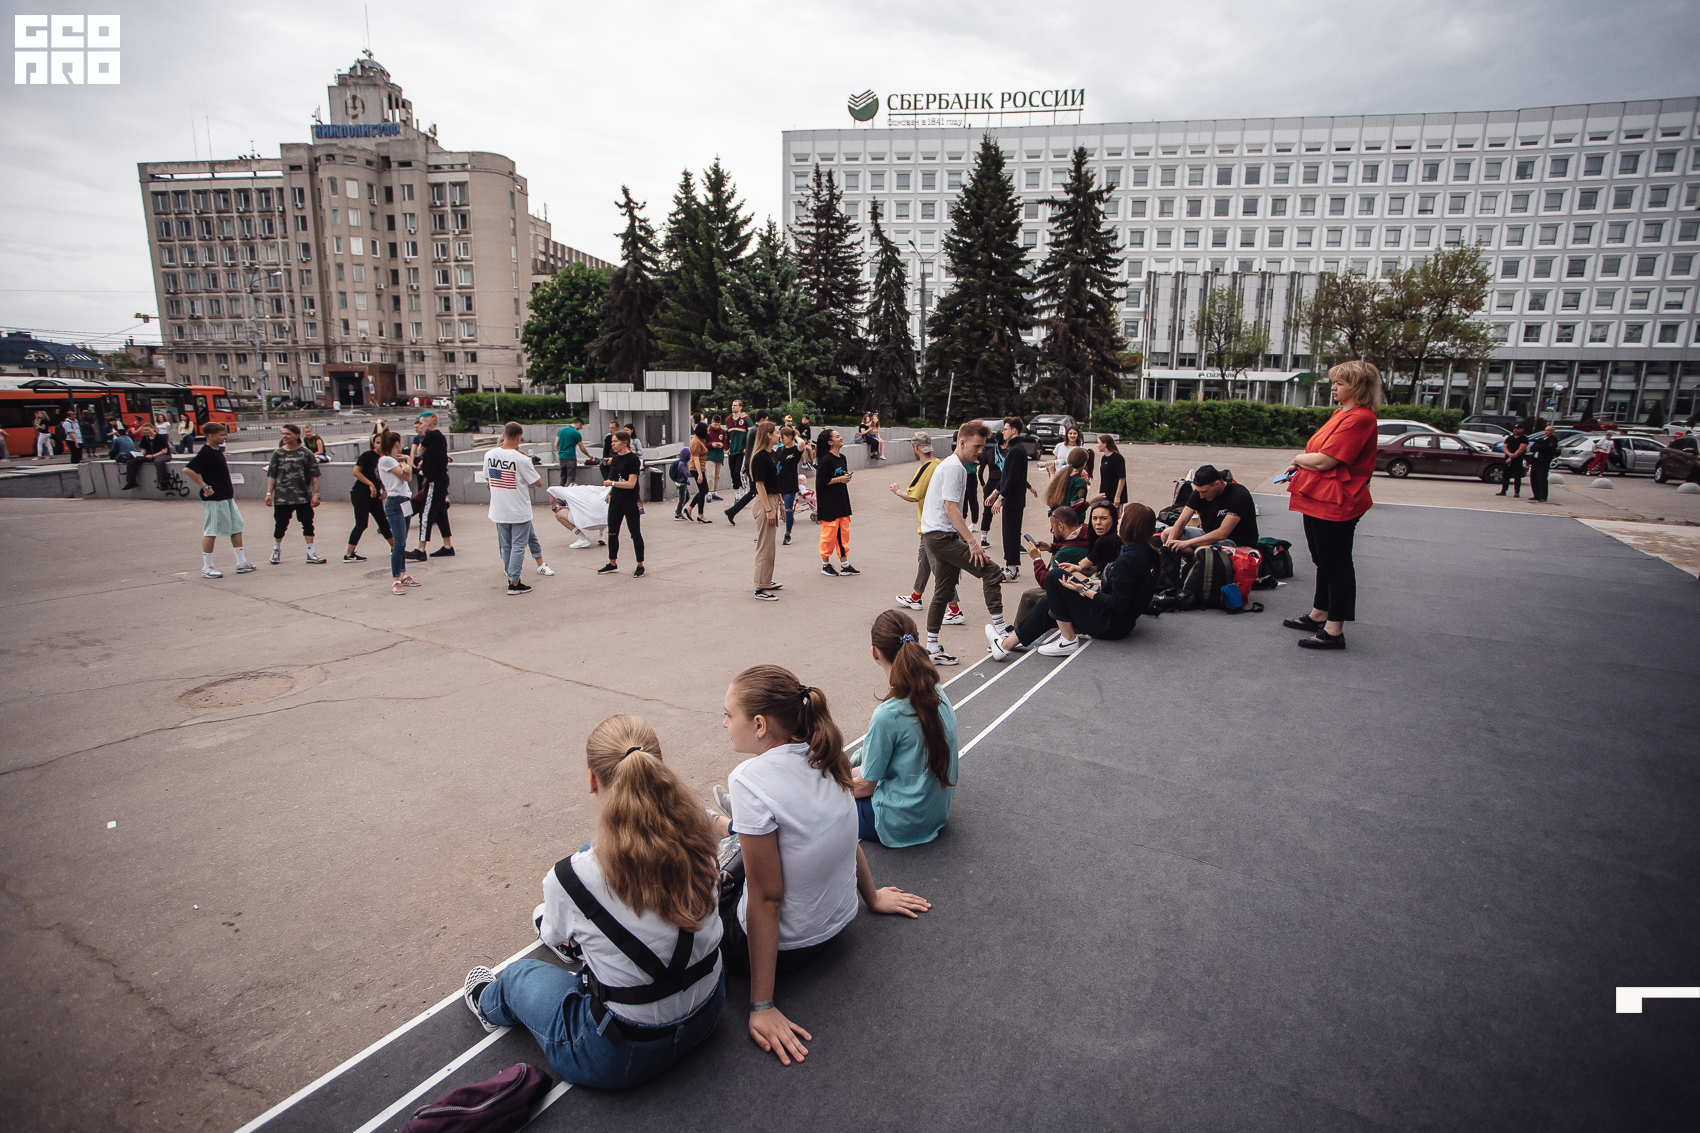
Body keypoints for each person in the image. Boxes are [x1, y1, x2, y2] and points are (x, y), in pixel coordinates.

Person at [464, 714, 724, 1088]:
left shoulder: (568, 878)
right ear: (658, 768)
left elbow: (552, 934)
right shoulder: (702, 836)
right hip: (707, 1014)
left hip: (623, 1055)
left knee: (520, 977)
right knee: (595, 857)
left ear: (592, 779)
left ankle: (487, 1001)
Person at [707, 665, 931, 1065]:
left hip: (788, 949)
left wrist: (762, 1005)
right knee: (770, 841)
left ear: (759, 724)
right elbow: (847, 836)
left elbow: (767, 898)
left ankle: (723, 829)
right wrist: (872, 897)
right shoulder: (825, 753)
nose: (724, 722)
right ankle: (731, 827)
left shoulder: (747, 779)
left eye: (728, 714)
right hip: (836, 925)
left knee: (696, 883)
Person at [1281, 360, 1382, 651]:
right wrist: (1304, 461)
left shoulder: (1360, 418)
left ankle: (1334, 630)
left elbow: (1326, 460)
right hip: (1320, 497)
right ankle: (1320, 613)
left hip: (1337, 500)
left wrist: (1298, 458)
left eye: (1340, 383)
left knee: (1336, 564)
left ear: (1357, 387)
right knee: (1322, 560)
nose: (1334, 387)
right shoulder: (1342, 413)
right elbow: (1319, 455)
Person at [987, 504, 1160, 660]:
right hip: (1122, 623)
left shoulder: (1128, 560)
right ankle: (1007, 644)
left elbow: (1117, 604)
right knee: (1053, 597)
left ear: (1131, 526)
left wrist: (1082, 590)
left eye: (1122, 519)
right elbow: (1133, 590)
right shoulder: (1150, 554)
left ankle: (1067, 639)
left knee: (1055, 577)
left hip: (1108, 624)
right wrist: (1103, 584)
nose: (1119, 522)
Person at [849, 611, 958, 847]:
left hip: (899, 822)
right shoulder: (936, 690)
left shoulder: (888, 714)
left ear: (874, 652)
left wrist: (829, 786)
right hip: (936, 812)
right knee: (854, 771)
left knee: (824, 803)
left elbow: (865, 787)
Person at [919, 422, 1008, 665]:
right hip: (940, 537)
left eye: (982, 446)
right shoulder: (954, 468)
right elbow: (950, 509)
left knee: (944, 591)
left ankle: (932, 647)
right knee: (992, 570)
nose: (980, 451)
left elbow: (950, 510)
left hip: (940, 536)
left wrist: (960, 536)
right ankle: (1001, 633)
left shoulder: (954, 466)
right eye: (976, 446)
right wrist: (972, 541)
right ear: (962, 442)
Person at [891, 432, 969, 625]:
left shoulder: (927, 469)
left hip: (933, 528)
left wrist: (897, 490)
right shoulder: (940, 464)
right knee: (924, 563)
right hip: (934, 526)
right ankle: (916, 596)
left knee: (939, 570)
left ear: (915, 447)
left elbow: (913, 496)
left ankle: (955, 609)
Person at [182, 423, 254, 578]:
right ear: (211, 436)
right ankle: (207, 567)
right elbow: (188, 469)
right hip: (215, 499)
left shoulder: (217, 451)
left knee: (236, 527)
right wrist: (205, 486)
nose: (224, 437)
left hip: (226, 496)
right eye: (221, 435)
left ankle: (241, 562)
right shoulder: (206, 452)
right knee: (211, 530)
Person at [484, 421, 543, 595]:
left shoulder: (489, 455)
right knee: (518, 545)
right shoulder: (521, 459)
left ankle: (510, 574)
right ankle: (514, 582)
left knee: (506, 545)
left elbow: (490, 478)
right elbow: (537, 482)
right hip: (518, 509)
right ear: (519, 437)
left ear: (504, 435)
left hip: (499, 508)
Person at [1010, 505, 1093, 628]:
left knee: (1028, 596)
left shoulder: (1065, 552)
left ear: (1060, 526)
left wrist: (1037, 559)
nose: (1052, 531)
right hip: (1084, 588)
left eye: (1052, 527)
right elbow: (1072, 543)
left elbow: (1047, 581)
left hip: (1071, 595)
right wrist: (1051, 547)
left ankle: (1017, 633)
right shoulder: (1086, 532)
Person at [983, 417, 1038, 581]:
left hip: (1013, 500)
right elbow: (1006, 476)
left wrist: (1001, 497)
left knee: (1011, 535)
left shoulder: (1016, 450)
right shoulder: (1013, 449)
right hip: (1011, 499)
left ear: (1014, 431)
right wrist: (995, 492)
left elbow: (1013, 478)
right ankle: (1011, 566)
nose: (1003, 432)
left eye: (1006, 429)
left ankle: (1011, 569)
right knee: (1008, 533)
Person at [264, 424, 325, 565]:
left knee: (307, 523)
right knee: (280, 525)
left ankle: (311, 552)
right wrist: (269, 493)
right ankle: (276, 549)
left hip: (303, 496)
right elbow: (272, 475)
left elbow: (314, 475)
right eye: (282, 433)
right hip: (282, 498)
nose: (284, 436)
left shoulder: (306, 453)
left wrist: (316, 494)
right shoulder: (278, 454)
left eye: (287, 434)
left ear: (296, 435)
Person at [1161, 464, 1258, 552]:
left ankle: (1199, 561)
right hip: (1209, 534)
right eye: (1199, 491)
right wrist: (1169, 543)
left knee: (1203, 551)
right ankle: (1192, 562)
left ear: (1217, 484)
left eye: (1205, 492)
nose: (1201, 496)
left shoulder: (1239, 495)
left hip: (1235, 541)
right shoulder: (1200, 493)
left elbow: (1222, 533)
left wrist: (1187, 543)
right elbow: (1181, 521)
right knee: (1167, 533)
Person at [374, 431, 420, 594]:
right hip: (395, 502)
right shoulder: (386, 460)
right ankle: (395, 579)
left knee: (403, 541)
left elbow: (408, 474)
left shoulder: (394, 461)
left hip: (404, 501)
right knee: (398, 543)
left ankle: (402, 573)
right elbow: (407, 477)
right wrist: (406, 464)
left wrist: (405, 464)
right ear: (395, 444)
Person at [599, 429, 645, 577]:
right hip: (616, 500)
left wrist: (611, 484)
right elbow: (614, 478)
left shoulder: (633, 459)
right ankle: (612, 563)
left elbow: (631, 483)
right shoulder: (615, 458)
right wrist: (610, 492)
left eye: (615, 441)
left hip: (630, 501)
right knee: (612, 532)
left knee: (635, 533)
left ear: (624, 442)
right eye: (612, 442)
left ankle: (640, 564)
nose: (612, 444)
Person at [409, 412, 455, 560]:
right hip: (440, 479)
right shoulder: (439, 437)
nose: (420, 426)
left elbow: (419, 451)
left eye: (422, 423)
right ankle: (447, 546)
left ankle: (421, 548)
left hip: (434, 481)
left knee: (425, 513)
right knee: (440, 512)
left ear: (429, 423)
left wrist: (422, 446)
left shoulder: (431, 436)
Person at [814, 428, 858, 577]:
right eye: (837, 436)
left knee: (843, 533)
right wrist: (839, 479)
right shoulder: (825, 460)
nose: (841, 438)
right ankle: (825, 564)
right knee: (829, 534)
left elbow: (840, 475)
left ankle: (845, 565)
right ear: (830, 442)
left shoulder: (842, 457)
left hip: (841, 500)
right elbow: (821, 482)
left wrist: (845, 478)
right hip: (828, 503)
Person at [344, 432, 393, 562]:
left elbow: (380, 477)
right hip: (361, 494)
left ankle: (395, 548)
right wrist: (370, 484)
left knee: (383, 522)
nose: (379, 445)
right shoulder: (367, 456)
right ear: (373, 444)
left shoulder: (385, 458)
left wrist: (384, 489)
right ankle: (349, 554)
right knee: (361, 523)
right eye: (377, 442)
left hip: (374, 495)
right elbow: (356, 472)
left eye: (382, 442)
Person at [749, 421, 783, 602]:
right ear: (768, 435)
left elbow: (774, 480)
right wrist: (769, 510)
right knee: (764, 546)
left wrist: (780, 504)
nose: (779, 435)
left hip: (773, 499)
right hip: (765, 502)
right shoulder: (760, 457)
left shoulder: (772, 455)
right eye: (776, 432)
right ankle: (760, 587)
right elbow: (759, 485)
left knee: (770, 546)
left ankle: (766, 580)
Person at [724, 411, 770, 525]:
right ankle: (733, 511)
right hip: (752, 464)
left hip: (751, 462)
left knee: (756, 490)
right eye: (767, 420)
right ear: (762, 419)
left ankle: (733, 511)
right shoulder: (756, 431)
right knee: (755, 490)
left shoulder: (753, 430)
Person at [124, 423, 172, 491]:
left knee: (158, 461)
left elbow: (164, 450)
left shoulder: (160, 437)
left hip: (162, 455)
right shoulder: (145, 438)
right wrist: (139, 455)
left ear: (152, 429)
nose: (147, 432)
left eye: (148, 430)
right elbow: (144, 450)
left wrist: (153, 456)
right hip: (149, 455)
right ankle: (131, 482)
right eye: (145, 430)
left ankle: (163, 483)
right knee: (131, 462)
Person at [776, 425, 803, 545]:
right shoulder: (779, 450)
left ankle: (788, 534)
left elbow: (802, 443)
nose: (781, 439)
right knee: (773, 509)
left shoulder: (795, 451)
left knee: (788, 509)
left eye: (782, 437)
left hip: (790, 484)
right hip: (778, 483)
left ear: (788, 437)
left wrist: (795, 435)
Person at [1044, 447, 1093, 514]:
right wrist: (1092, 501)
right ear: (1085, 463)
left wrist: (1052, 473)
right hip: (1069, 518)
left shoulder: (1063, 474)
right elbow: (1077, 507)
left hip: (1057, 515)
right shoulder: (1079, 481)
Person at [1090, 434, 1127, 510]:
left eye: (1098, 443)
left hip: (1114, 494)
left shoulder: (1118, 458)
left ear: (1104, 444)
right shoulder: (1104, 458)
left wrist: (1117, 496)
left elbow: (1122, 478)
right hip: (1105, 493)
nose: (1097, 445)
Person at [1526, 424, 1560, 503]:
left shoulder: (1553, 440)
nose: (1546, 432)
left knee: (1542, 479)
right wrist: (1538, 446)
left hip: (1543, 462)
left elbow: (1546, 447)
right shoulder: (1541, 439)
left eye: (1548, 430)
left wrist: (1538, 446)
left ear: (1552, 431)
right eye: (1545, 430)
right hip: (1535, 461)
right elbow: (1532, 448)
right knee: (1533, 478)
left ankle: (1543, 496)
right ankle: (1536, 495)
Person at [555, 416, 590, 486]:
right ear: (579, 424)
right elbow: (582, 448)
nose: (580, 429)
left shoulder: (561, 430)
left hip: (561, 457)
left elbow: (556, 444)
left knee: (562, 478)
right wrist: (589, 455)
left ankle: (559, 492)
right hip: (570, 457)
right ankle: (568, 492)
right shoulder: (576, 433)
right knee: (570, 479)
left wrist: (560, 452)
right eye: (580, 426)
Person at [1497, 425, 1528, 498]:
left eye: (1517, 429)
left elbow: (1521, 449)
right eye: (1515, 429)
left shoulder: (1524, 439)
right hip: (1507, 459)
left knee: (1517, 476)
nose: (1515, 430)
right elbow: (1504, 448)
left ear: (1522, 430)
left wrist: (1512, 457)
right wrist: (1509, 454)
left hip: (1517, 460)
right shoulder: (1509, 438)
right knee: (1505, 475)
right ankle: (1503, 490)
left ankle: (1516, 492)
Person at [726, 400, 750, 493]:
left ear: (740, 407)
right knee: (733, 473)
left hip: (741, 450)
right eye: (732, 405)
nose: (733, 407)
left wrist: (747, 447)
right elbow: (726, 436)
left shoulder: (746, 419)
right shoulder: (728, 419)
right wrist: (726, 448)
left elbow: (750, 434)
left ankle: (745, 491)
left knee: (739, 472)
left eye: (735, 405)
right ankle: (737, 495)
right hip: (732, 450)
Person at [687, 434, 710, 522]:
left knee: (704, 490)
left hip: (699, 468)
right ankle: (700, 515)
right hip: (697, 469)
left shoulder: (700, 439)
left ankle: (689, 508)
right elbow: (696, 459)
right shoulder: (696, 442)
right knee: (703, 490)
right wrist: (700, 474)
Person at [705, 415, 727, 501]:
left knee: (717, 476)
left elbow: (726, 443)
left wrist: (722, 445)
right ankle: (709, 493)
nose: (717, 426)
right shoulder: (708, 431)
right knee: (710, 475)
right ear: (712, 422)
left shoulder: (723, 432)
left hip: (719, 456)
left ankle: (715, 491)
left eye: (718, 425)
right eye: (715, 424)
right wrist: (711, 444)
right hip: (710, 455)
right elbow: (704, 444)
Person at [670, 444, 692, 519]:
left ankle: (678, 510)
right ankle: (678, 514)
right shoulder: (681, 464)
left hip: (683, 482)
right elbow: (685, 473)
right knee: (682, 498)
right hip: (681, 483)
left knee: (687, 497)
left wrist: (687, 481)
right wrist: (695, 475)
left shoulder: (684, 463)